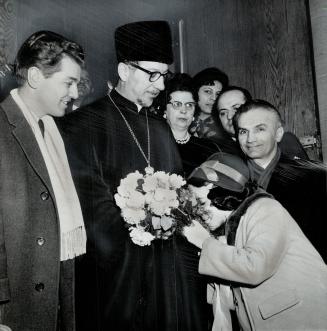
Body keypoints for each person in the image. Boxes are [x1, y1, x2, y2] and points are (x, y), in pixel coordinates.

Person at [58, 21, 206, 331]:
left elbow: (179, 194)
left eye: (163, 75)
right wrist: (144, 231)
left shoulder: (161, 129)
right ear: (124, 71)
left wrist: (175, 220)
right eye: (152, 74)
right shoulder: (82, 124)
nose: (161, 85)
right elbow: (88, 203)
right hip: (116, 276)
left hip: (167, 273)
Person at [0, 30, 86, 331]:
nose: (75, 94)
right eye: (69, 82)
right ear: (36, 77)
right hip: (14, 307)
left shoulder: (53, 130)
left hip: (55, 285)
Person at [184, 152, 327, 331]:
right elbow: (231, 298)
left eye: (200, 203)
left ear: (216, 191)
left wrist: (204, 242)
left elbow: (255, 267)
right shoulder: (232, 230)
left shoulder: (266, 209)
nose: (197, 212)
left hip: (304, 320)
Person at [233, 99, 327, 261]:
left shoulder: (315, 176)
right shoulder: (230, 179)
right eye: (243, 131)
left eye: (260, 129)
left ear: (278, 134)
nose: (250, 139)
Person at [216, 86, 309, 159]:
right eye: (223, 113)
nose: (229, 116)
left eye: (236, 108)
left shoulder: (284, 141)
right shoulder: (219, 154)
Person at [159, 72, 222, 177]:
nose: (184, 110)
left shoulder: (209, 147)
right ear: (165, 110)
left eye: (189, 105)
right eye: (177, 104)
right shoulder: (153, 144)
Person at [189, 67, 228, 141]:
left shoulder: (225, 124)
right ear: (195, 91)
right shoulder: (185, 117)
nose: (214, 98)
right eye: (207, 91)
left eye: (218, 94)